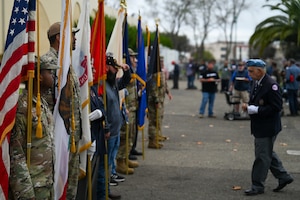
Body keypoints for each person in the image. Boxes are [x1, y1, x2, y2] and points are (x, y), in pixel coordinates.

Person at [41, 22, 82, 199]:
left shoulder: (65, 62)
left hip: (71, 134)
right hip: (58, 135)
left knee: (70, 184)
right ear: (59, 37)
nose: (74, 38)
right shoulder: (49, 63)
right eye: (71, 34)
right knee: (58, 185)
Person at [242, 59, 293, 196]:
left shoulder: (271, 85)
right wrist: (250, 107)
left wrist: (255, 109)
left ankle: (257, 185)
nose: (249, 73)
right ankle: (283, 176)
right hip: (260, 125)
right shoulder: (257, 82)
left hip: (267, 126)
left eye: (251, 71)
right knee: (267, 152)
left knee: (262, 156)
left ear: (260, 71)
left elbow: (277, 108)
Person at [9, 58, 58, 199]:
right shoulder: (23, 107)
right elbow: (16, 153)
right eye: (49, 72)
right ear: (40, 77)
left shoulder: (41, 102)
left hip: (46, 184)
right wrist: (25, 193)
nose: (53, 76)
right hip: (32, 188)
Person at [105, 53, 131, 199]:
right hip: (109, 131)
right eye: (114, 68)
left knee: (110, 161)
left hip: (115, 129)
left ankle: (107, 187)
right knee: (106, 163)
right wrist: (106, 127)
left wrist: (126, 70)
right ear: (107, 68)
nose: (116, 71)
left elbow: (125, 81)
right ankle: (105, 190)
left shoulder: (113, 83)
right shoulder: (103, 86)